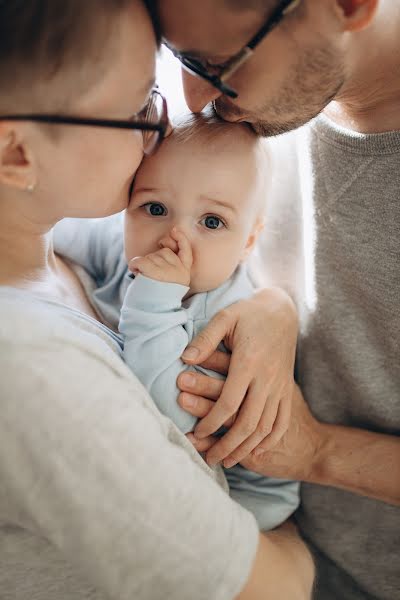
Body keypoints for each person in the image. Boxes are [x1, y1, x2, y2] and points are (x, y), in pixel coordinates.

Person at [0, 2, 314, 599]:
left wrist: (275, 305)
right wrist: (295, 541)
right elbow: (278, 590)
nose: (163, 130)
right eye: (137, 108)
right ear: (17, 154)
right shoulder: (30, 371)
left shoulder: (45, 241)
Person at [155, 0, 400, 599]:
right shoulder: (279, 106)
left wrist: (317, 452)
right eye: (180, 59)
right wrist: (273, 305)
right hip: (279, 539)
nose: (194, 100)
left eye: (217, 64)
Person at [54, 112, 300, 532]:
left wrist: (154, 299)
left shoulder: (223, 322)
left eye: (211, 222)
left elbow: (171, 412)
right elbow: (54, 232)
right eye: (155, 208)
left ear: (249, 243)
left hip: (245, 493)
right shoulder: (125, 247)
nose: (174, 237)